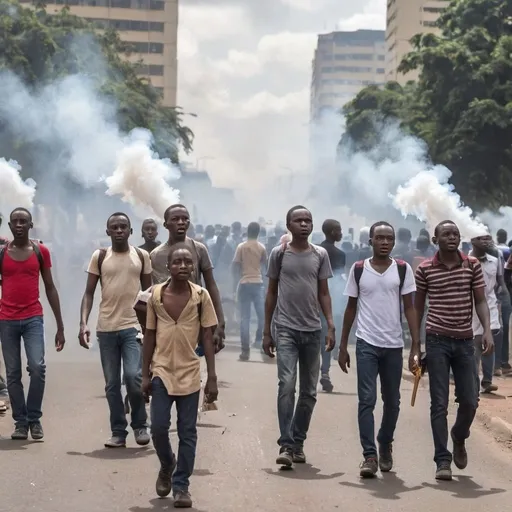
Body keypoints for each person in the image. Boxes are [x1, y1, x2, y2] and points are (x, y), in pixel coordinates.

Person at [411, 220, 492, 481]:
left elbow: (480, 300)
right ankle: (442, 460)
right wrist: (416, 345)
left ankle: (459, 435)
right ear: (436, 239)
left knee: (470, 399)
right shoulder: (424, 270)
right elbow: (418, 308)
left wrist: (487, 330)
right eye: (446, 234)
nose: (452, 237)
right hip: (436, 341)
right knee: (439, 402)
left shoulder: (472, 265)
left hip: (465, 341)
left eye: (455, 234)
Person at [338, 222, 419, 477]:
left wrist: (416, 345)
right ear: (370, 241)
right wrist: (343, 345)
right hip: (366, 343)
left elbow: (410, 308)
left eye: (389, 238)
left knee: (393, 401)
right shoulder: (359, 270)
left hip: (394, 345)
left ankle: (385, 442)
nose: (384, 242)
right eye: (379, 238)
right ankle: (369, 456)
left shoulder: (403, 270)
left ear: (393, 242)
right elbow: (351, 308)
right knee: (367, 400)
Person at [142, 244, 218, 507]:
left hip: (190, 372)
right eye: (178, 262)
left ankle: (181, 485)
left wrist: (212, 377)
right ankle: (167, 463)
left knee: (187, 431)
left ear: (194, 267)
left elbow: (207, 335)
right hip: (161, 370)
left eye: (188, 262)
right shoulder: (155, 296)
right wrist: (144, 375)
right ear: (168, 266)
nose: (183, 266)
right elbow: (149, 335)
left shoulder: (201, 296)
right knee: (159, 427)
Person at [263, 205, 335, 468]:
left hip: (312, 331)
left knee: (309, 391)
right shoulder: (278, 254)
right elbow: (271, 292)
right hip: (285, 330)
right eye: (299, 220)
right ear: (289, 225)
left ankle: (298, 442)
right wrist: (266, 331)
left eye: (308, 220)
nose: (304, 224)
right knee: (286, 384)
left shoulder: (320, 254)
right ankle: (285, 443)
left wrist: (330, 324)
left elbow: (324, 292)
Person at [79, 212, 152, 448]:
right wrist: (83, 323)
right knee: (111, 384)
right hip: (106, 328)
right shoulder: (99, 257)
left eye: (123, 227)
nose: (119, 230)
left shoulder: (142, 256)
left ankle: (140, 425)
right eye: (114, 227)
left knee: (133, 377)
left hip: (133, 327)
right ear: (107, 231)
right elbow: (89, 292)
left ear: (131, 231)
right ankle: (118, 431)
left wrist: (154, 329)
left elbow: (151, 295)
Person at [0, 208, 65, 440]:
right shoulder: (1, 253)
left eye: (23, 221)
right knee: (13, 373)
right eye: (15, 222)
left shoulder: (40, 251)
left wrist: (60, 325)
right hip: (6, 320)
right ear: (9, 226)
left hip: (32, 318)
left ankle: (34, 418)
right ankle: (20, 422)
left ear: (30, 225)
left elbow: (50, 287)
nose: (19, 225)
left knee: (37, 368)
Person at [150, 205, 225, 351]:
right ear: (166, 224)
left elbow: (211, 285)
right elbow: (153, 294)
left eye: (185, 219)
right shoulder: (156, 256)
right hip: (166, 323)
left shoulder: (199, 249)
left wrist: (219, 320)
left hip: (196, 319)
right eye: (175, 219)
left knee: (196, 366)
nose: (181, 222)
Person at [469, 233, 502, 393]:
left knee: (490, 341)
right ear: (473, 241)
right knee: (474, 344)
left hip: (490, 305)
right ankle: (473, 381)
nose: (486, 241)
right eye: (481, 238)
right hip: (470, 308)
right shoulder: (464, 261)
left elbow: (499, 283)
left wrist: (504, 301)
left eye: (488, 238)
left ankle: (487, 381)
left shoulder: (495, 261)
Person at [231, 222, 267, 360]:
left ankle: (245, 351)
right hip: (258, 283)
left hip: (245, 283)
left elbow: (235, 265)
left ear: (247, 231)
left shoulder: (241, 247)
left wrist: (235, 285)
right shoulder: (261, 247)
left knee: (244, 318)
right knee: (262, 316)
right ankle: (261, 341)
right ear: (258, 233)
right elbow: (266, 265)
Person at [318, 219, 346, 392]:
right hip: (332, 300)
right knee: (329, 336)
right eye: (338, 230)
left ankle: (316, 372)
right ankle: (325, 372)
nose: (340, 233)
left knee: (317, 338)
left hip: (316, 300)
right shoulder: (340, 254)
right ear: (332, 232)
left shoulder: (316, 250)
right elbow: (339, 279)